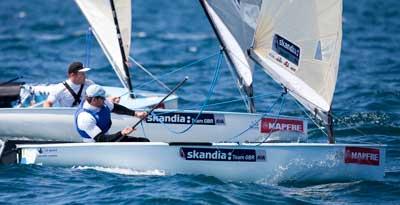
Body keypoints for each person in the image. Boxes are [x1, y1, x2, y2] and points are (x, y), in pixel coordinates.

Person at [74, 84, 149, 143]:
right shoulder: (85, 118)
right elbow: (101, 139)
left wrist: (135, 114)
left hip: (107, 140)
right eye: (103, 98)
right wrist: (122, 133)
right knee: (144, 142)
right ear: (94, 100)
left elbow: (115, 108)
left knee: (145, 141)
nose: (105, 100)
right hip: (95, 145)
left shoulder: (101, 102)